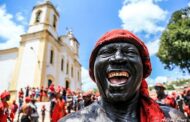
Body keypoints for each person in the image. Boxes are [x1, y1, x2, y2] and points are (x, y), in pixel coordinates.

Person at [59, 29, 187, 122]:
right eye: (107, 52)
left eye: (129, 52)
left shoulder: (173, 119)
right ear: (93, 70)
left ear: (143, 69)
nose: (118, 57)